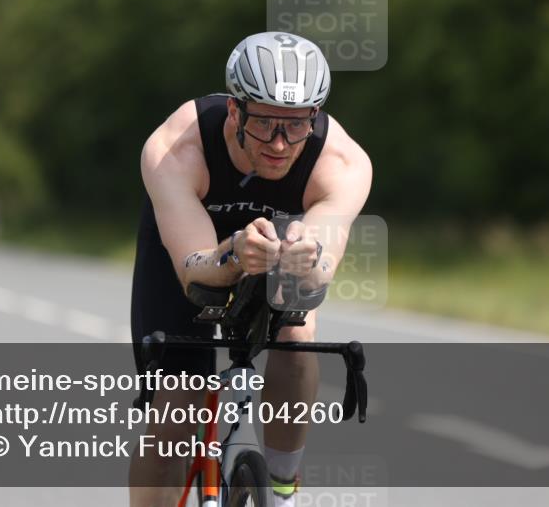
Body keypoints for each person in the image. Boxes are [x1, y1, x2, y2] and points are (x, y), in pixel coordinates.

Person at [130, 32, 372, 507]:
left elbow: (321, 267)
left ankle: (281, 489)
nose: (280, 144)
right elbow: (195, 272)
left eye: (297, 126)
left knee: (297, 338)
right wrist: (236, 256)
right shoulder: (176, 149)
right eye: (264, 124)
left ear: (315, 118)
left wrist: (308, 261)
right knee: (175, 411)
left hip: (273, 250)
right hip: (190, 250)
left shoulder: (343, 162)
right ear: (235, 111)